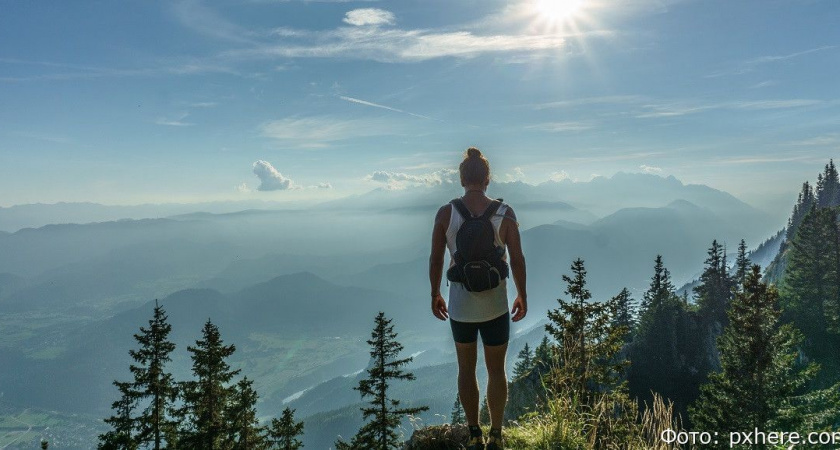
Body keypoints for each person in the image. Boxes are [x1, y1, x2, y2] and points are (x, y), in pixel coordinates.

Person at [429, 147, 527, 450]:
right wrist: (522, 294)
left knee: (466, 369)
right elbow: (518, 258)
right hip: (496, 305)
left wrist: (435, 293)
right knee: (497, 370)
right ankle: (496, 434)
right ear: (487, 178)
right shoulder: (505, 213)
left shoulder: (446, 213)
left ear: (461, 179)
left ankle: (474, 433)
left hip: (460, 306)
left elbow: (435, 258)